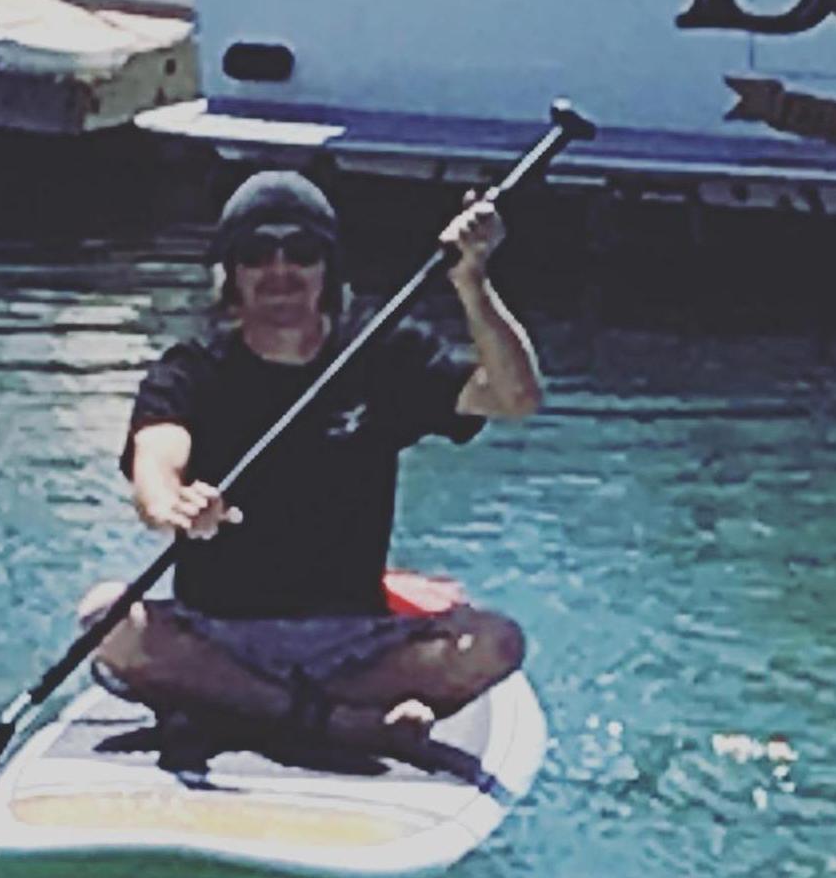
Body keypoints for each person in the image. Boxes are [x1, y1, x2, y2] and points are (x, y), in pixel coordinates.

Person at [83, 169, 542, 756]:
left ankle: (233, 710)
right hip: (220, 636)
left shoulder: (384, 353)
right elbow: (155, 462)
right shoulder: (192, 368)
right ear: (232, 273)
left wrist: (473, 284)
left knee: (497, 643)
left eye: (300, 252)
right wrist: (177, 504)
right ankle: (329, 722)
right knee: (104, 615)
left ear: (327, 267)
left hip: (354, 645)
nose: (281, 271)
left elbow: (514, 398)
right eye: (256, 254)